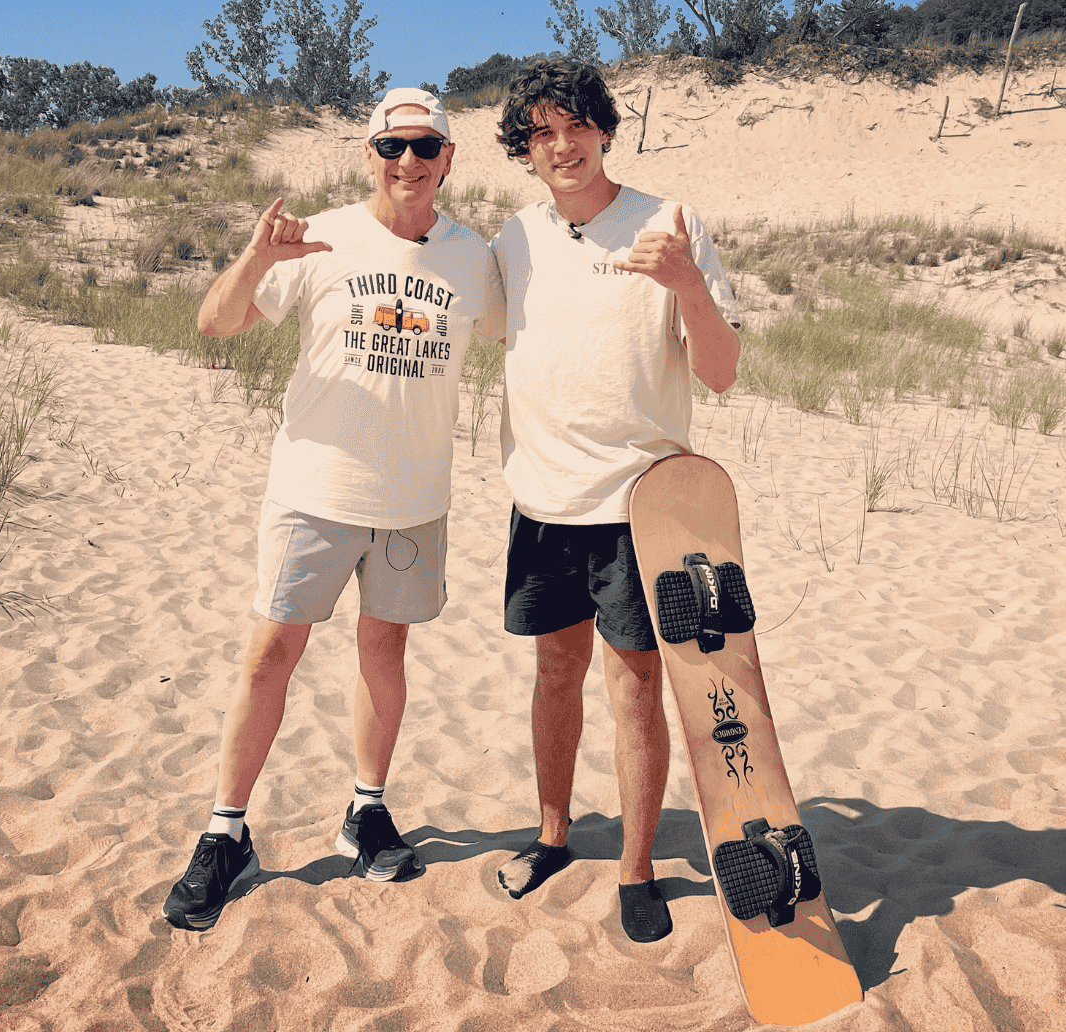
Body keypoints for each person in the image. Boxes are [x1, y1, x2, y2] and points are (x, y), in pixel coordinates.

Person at [163, 88, 499, 931]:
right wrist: (254, 256)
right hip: (314, 492)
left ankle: (367, 810)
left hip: (414, 502)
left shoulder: (474, 260)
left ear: (449, 158)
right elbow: (214, 323)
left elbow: (538, 333)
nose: (409, 164)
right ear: (370, 156)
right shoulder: (321, 237)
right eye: (393, 148)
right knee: (270, 654)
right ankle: (225, 832)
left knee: (384, 653)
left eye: (426, 147)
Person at [482, 59, 741, 943]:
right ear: (524, 149)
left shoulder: (671, 224)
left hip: (642, 507)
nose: (563, 147)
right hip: (541, 499)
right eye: (542, 133)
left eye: (577, 126)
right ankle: (552, 834)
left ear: (604, 128)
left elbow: (722, 371)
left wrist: (689, 288)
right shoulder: (512, 240)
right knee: (555, 671)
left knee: (634, 686)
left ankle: (636, 869)